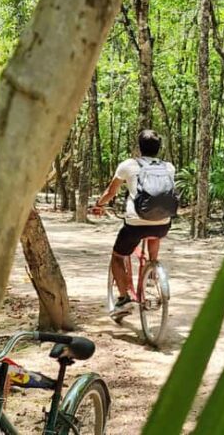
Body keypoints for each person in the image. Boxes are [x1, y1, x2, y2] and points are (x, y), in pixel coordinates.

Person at [92, 129, 176, 316]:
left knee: (117, 256)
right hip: (163, 222)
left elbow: (110, 193)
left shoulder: (128, 165)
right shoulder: (169, 167)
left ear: (139, 147)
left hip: (136, 223)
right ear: (159, 148)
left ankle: (123, 299)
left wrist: (99, 205)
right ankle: (153, 268)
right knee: (156, 228)